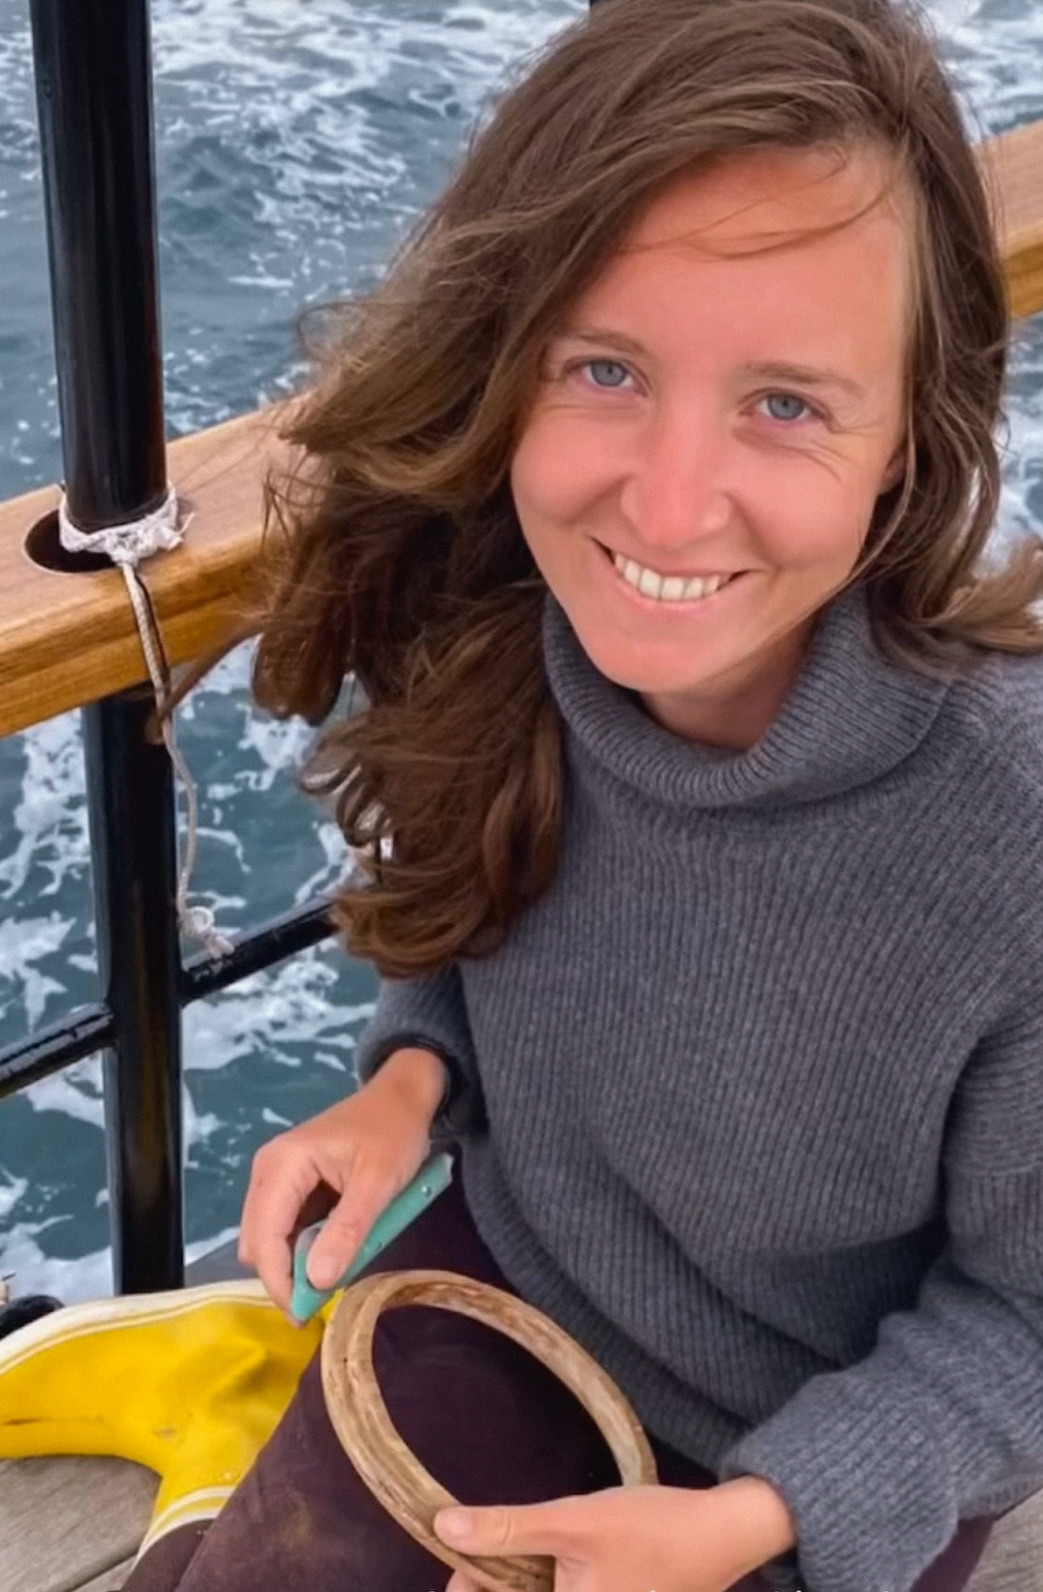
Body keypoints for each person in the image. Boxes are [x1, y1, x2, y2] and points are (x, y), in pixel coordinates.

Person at [126, 0, 1043, 1588]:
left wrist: (754, 1521)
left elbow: (1026, 1321)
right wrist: (408, 1079)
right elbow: (471, 882)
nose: (669, 510)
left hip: (822, 1463)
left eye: (786, 403)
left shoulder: (1013, 836)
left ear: (908, 439)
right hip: (498, 1294)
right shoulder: (506, 617)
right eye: (604, 369)